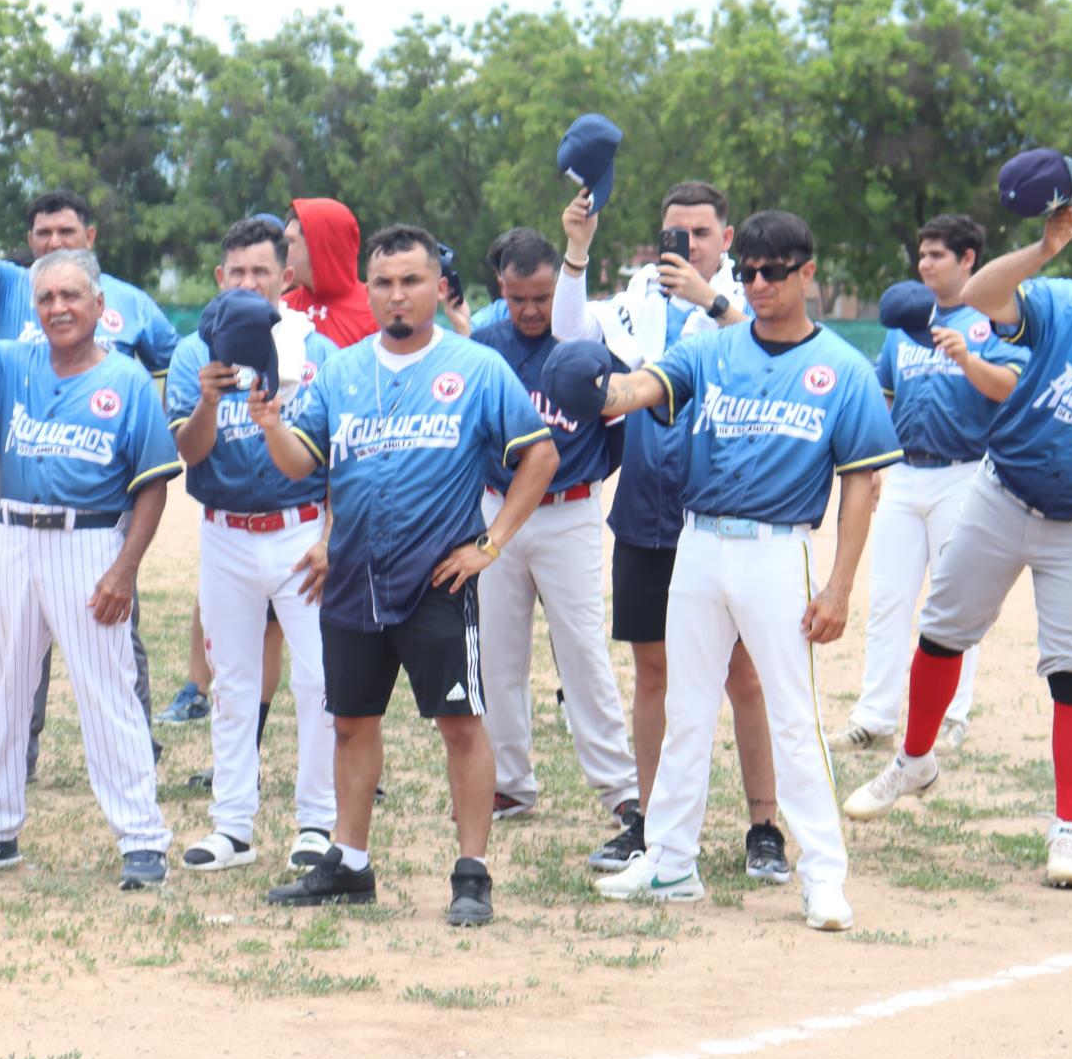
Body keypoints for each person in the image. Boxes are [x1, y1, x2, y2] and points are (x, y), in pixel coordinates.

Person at [842, 197, 1072, 890]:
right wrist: (1043, 250)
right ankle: (914, 760)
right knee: (941, 634)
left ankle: (1069, 827)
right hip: (1001, 492)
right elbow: (978, 294)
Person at [579, 210, 898, 930]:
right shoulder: (716, 351)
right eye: (747, 272)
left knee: (793, 715)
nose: (756, 285)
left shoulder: (843, 369)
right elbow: (646, 388)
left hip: (775, 547)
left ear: (807, 274)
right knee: (688, 709)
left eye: (772, 273)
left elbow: (861, 483)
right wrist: (597, 390)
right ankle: (669, 862)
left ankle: (823, 875)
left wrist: (840, 584)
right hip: (698, 542)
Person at [258, 224, 559, 926]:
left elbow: (538, 456)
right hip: (353, 580)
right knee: (351, 722)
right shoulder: (340, 371)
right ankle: (351, 863)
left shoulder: (476, 368)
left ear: (438, 288)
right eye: (385, 282)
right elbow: (303, 464)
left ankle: (472, 872)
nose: (397, 294)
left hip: (438, 583)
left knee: (459, 722)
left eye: (412, 281)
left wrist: (490, 541)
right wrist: (271, 423)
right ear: (369, 289)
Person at [0, 245, 182, 888]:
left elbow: (153, 485)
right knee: (8, 691)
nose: (57, 308)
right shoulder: (12, 361)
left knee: (108, 695)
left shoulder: (126, 380)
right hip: (15, 536)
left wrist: (124, 571)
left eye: (71, 295)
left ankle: (142, 838)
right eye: (46, 298)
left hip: (92, 541)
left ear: (100, 306)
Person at [552, 180, 790, 882]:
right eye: (674, 232)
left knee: (742, 676)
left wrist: (708, 298)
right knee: (652, 672)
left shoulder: (749, 301)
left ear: (727, 236)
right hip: (647, 512)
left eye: (701, 232)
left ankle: (763, 825)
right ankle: (649, 824)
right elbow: (570, 335)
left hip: (727, 509)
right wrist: (575, 252)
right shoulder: (634, 300)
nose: (685, 244)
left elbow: (764, 344)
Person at [0, 185, 178, 776]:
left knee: (115, 614)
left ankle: (134, 745)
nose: (52, 242)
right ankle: (22, 751)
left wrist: (148, 428)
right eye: (42, 234)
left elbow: (168, 366)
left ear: (90, 238)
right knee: (18, 621)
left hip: (100, 473)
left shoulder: (130, 301)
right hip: (13, 455)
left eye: (65, 233)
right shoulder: (14, 286)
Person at [167, 218, 339, 872]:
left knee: (321, 678)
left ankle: (317, 823)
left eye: (259, 273)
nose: (246, 283)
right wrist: (209, 400)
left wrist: (330, 534)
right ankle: (232, 825)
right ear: (219, 278)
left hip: (299, 528)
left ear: (285, 278)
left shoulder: (315, 350)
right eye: (235, 272)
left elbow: (335, 456)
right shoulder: (193, 352)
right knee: (233, 683)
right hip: (226, 531)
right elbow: (189, 451)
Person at [831, 215, 1028, 753]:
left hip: (964, 474)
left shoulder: (992, 320)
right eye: (922, 254)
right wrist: (870, 467)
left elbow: (1009, 390)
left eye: (937, 254)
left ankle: (949, 717)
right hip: (902, 472)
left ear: (968, 260)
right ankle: (874, 716)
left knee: (954, 603)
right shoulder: (904, 323)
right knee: (889, 598)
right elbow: (885, 396)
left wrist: (966, 357)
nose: (925, 263)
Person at [471, 230, 641, 842]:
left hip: (569, 510)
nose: (532, 310)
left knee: (582, 653)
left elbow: (617, 432)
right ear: (502, 290)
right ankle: (509, 782)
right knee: (498, 652)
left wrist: (583, 479)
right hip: (497, 510)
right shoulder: (485, 346)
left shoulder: (586, 347)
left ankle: (621, 790)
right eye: (519, 298)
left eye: (543, 295)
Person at [282, 198, 375, 347]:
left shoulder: (375, 312)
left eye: (290, 241)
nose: (281, 249)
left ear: (318, 246)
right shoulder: (281, 308)